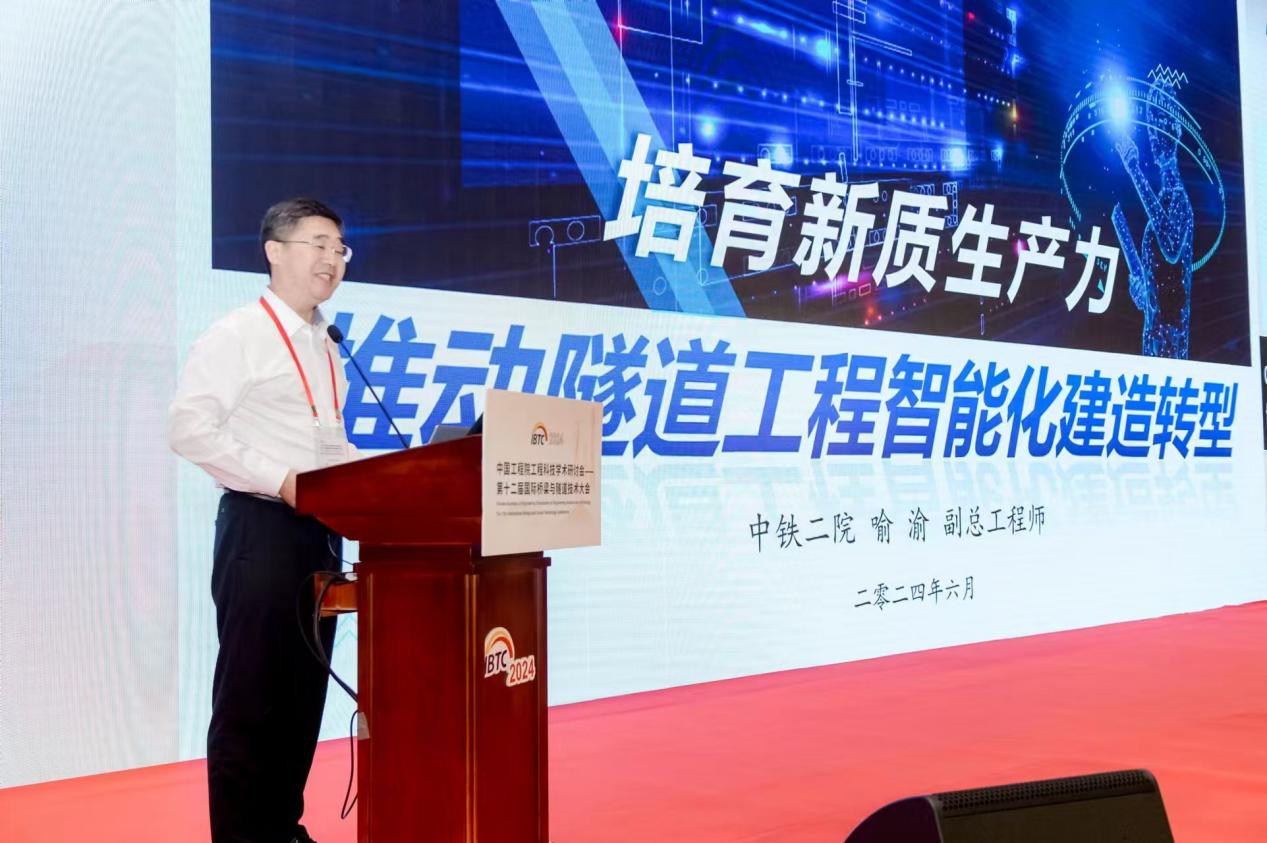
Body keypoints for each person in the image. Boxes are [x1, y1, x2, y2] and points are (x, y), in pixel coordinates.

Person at [168, 197, 356, 843]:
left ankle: (282, 828)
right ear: (274, 251)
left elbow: (327, 447)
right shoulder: (238, 334)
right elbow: (188, 427)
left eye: (339, 248)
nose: (331, 259)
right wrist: (280, 479)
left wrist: (381, 480)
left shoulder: (327, 346)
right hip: (261, 528)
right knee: (252, 698)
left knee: (303, 693)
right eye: (317, 244)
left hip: (319, 534)